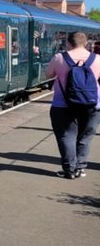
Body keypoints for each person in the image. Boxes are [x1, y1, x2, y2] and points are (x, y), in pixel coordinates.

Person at [45, 31, 100, 179]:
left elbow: (48, 74)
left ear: (68, 43)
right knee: (85, 137)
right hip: (92, 105)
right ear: (87, 43)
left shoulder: (59, 58)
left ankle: (69, 170)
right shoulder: (97, 59)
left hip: (62, 105)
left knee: (66, 136)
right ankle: (80, 168)